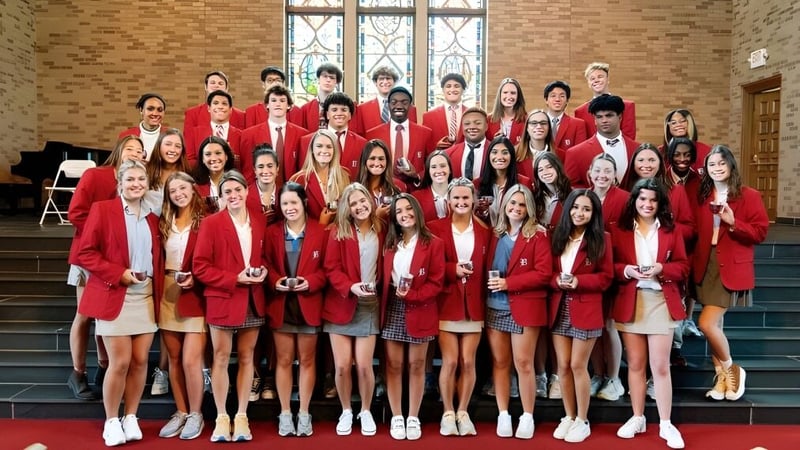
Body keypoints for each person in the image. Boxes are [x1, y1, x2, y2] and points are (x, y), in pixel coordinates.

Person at [77, 160, 163, 447]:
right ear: (120, 182)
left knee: (140, 362)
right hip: (115, 293)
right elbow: (86, 254)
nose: (136, 183)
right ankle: (111, 420)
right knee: (120, 362)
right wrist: (119, 274)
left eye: (141, 179)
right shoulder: (103, 210)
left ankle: (131, 417)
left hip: (146, 296)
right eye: (130, 179)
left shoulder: (152, 217)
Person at [611, 178, 689, 450]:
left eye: (653, 200)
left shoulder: (671, 229)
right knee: (634, 365)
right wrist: (627, 271)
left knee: (660, 366)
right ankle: (637, 417)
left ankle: (666, 423)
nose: (647, 204)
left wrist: (661, 268)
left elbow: (682, 267)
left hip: (659, 300)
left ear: (660, 203)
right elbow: (611, 266)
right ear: (634, 200)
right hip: (630, 300)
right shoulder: (619, 230)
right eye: (642, 199)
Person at [66, 135, 145, 402]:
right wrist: (104, 232)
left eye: (140, 151)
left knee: (108, 317)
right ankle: (77, 373)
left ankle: (103, 367)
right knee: (85, 314)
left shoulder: (137, 183)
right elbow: (75, 213)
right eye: (130, 149)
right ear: (120, 150)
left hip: (118, 261)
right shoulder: (95, 176)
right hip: (89, 256)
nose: (135, 153)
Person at [193, 170, 268, 442]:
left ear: (247, 192)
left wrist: (264, 273)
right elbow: (200, 266)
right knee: (221, 358)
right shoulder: (212, 223)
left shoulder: (259, 222)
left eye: (238, 190)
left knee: (248, 358)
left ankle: (242, 416)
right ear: (221, 196)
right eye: (228, 192)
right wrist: (233, 278)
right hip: (224, 297)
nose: (234, 195)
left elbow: (265, 258)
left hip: (252, 299)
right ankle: (222, 417)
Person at [693, 145, 768, 402]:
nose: (716, 168)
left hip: (731, 264)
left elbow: (760, 233)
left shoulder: (749, 195)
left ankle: (732, 369)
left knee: (706, 323)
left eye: (721, 163)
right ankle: (723, 381)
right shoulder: (702, 194)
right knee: (716, 326)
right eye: (712, 164)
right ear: (706, 169)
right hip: (705, 263)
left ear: (731, 165)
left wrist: (734, 223)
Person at [485, 184, 552, 439]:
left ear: (529, 209)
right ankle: (503, 414)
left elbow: (544, 273)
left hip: (524, 306)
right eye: (512, 203)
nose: (516, 208)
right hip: (495, 306)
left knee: (523, 362)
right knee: (500, 362)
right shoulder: (494, 234)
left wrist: (509, 283)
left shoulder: (538, 235)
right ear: (504, 206)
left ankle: (527, 415)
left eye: (521, 204)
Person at [264, 182, 329, 437]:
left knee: (307, 360)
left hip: (309, 302)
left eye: (293, 202)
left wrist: (311, 282)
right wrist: (274, 279)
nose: (289, 208)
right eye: (284, 204)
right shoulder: (272, 232)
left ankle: (303, 412)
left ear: (303, 202)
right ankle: (284, 413)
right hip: (281, 303)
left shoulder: (321, 231)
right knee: (283, 360)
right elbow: (264, 262)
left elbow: (328, 268)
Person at [427, 178, 491, 436]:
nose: (462, 203)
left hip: (474, 304)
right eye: (457, 199)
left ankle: (463, 412)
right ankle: (447, 412)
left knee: (468, 360)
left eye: (466, 198)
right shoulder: (435, 228)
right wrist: (451, 269)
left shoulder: (485, 231)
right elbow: (429, 266)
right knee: (450, 361)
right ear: (448, 201)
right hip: (446, 302)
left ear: (473, 201)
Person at [549, 189, 613, 443]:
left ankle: (582, 419)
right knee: (562, 366)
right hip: (559, 306)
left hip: (586, 308)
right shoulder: (558, 236)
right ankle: (569, 415)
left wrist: (579, 281)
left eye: (586, 209)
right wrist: (557, 281)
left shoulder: (602, 239)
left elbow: (606, 278)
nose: (580, 213)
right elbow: (548, 273)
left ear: (594, 213)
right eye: (576, 208)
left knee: (578, 365)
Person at [381, 193, 445, 441]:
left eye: (408, 209)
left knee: (417, 366)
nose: (404, 214)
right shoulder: (389, 243)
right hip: (393, 308)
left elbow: (437, 282)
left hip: (421, 307)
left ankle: (413, 416)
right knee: (394, 366)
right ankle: (397, 415)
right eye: (398, 211)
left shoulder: (434, 243)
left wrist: (414, 294)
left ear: (417, 211)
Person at [323, 182, 384, 437]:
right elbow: (330, 268)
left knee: (363, 365)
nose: (360, 206)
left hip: (369, 304)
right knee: (342, 366)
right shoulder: (338, 231)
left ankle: (366, 410)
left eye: (363, 201)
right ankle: (347, 410)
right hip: (341, 303)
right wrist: (350, 287)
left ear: (370, 201)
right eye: (354, 204)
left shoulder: (383, 229)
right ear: (347, 209)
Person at [156, 172, 207, 440]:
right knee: (174, 359)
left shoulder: (205, 222)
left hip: (195, 292)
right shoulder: (164, 222)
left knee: (190, 360)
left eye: (182, 188)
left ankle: (196, 414)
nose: (178, 193)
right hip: (167, 291)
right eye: (173, 190)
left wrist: (196, 279)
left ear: (193, 189)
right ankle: (181, 411)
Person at [586, 153, 628, 402]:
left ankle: (613, 377)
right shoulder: (583, 196)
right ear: (590, 173)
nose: (602, 175)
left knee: (609, 326)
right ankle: (598, 374)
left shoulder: (624, 199)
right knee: (593, 326)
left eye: (607, 171)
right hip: (588, 272)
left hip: (614, 270)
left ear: (615, 175)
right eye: (597, 170)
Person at [564, 94, 640, 189]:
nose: (604, 120)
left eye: (609, 116)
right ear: (595, 120)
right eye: (599, 117)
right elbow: (570, 189)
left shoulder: (637, 149)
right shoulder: (575, 153)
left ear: (620, 117)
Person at [365, 86, 435, 185]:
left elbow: (432, 164)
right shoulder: (373, 134)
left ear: (410, 105)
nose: (399, 106)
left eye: (404, 102)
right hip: (383, 188)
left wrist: (417, 176)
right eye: (394, 102)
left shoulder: (425, 133)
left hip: (414, 191)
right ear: (388, 105)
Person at [241, 84, 309, 184]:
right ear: (267, 105)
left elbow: (303, 169)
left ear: (289, 105)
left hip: (292, 191)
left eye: (282, 101)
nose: (278, 104)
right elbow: (248, 170)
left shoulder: (302, 135)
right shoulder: (250, 134)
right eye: (273, 100)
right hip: (261, 190)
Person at [289, 129, 351, 225]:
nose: (324, 151)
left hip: (337, 236)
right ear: (312, 150)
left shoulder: (344, 175)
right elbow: (293, 218)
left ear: (334, 150)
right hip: (311, 236)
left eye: (329, 147)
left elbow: (348, 211)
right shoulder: (299, 180)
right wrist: (321, 225)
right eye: (319, 146)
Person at [299, 92, 367, 174]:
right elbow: (304, 173)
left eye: (344, 110)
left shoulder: (362, 143)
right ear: (327, 114)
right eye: (334, 110)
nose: (339, 113)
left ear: (350, 115)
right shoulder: (307, 141)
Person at [475, 136, 530, 226]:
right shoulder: (477, 184)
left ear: (511, 156)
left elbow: (528, 215)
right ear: (488, 155)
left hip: (512, 234)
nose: (499, 157)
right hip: (485, 234)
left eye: (505, 153)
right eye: (494, 152)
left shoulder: (524, 182)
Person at [573, 62, 637, 139]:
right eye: (592, 78)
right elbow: (582, 140)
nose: (596, 80)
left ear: (608, 79)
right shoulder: (580, 111)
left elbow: (629, 137)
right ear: (589, 83)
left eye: (600, 77)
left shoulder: (627, 106)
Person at [184, 90, 243, 170]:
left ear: (230, 109)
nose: (220, 106)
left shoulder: (241, 135)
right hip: (203, 179)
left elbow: (244, 163)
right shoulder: (195, 133)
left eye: (224, 104)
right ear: (209, 108)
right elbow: (189, 160)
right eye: (215, 103)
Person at [353, 65, 418, 135]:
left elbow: (412, 133)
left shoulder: (409, 108)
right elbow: (360, 135)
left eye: (388, 78)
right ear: (375, 83)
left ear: (395, 82)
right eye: (381, 79)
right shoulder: (362, 109)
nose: (385, 82)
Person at [357, 139, 406, 220]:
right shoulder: (355, 191)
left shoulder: (399, 186)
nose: (377, 163)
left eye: (381, 159)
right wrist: (376, 217)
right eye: (372, 158)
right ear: (364, 161)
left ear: (387, 162)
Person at [146, 128, 191, 214]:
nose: (173, 150)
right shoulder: (146, 171)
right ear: (159, 146)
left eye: (177, 146)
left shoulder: (188, 174)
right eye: (168, 144)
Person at [543, 81, 587, 159]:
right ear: (546, 100)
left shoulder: (578, 124)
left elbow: (579, 155)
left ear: (567, 101)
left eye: (562, 96)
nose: (557, 99)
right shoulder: (537, 123)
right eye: (553, 96)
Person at [423, 73, 468, 149]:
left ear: (463, 89)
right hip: (439, 158)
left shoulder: (471, 114)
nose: (452, 89)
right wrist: (436, 148)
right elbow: (424, 144)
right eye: (448, 86)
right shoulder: (429, 116)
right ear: (443, 90)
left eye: (457, 86)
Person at [118, 93, 167, 161]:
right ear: (141, 110)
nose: (155, 113)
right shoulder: (126, 135)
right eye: (150, 109)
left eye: (160, 110)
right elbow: (119, 162)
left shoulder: (171, 135)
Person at [193, 136, 235, 213]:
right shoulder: (195, 189)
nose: (213, 158)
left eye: (218, 153)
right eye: (208, 154)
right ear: (202, 159)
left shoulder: (238, 183)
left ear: (226, 156)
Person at [446, 106, 490, 180]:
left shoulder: (495, 151)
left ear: (486, 126)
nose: (472, 127)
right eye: (467, 123)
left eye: (478, 123)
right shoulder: (448, 153)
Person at [531, 152, 572, 231]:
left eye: (549, 167)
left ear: (558, 167)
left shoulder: (572, 195)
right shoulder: (534, 195)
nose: (545, 172)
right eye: (540, 170)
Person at [412, 150, 453, 223]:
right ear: (428, 171)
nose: (439, 170)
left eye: (443, 166)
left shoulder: (460, 195)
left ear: (450, 170)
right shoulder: (416, 198)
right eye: (434, 167)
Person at [300, 62, 343, 131]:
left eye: (332, 78)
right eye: (325, 76)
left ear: (336, 82)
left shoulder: (344, 107)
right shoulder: (305, 109)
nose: (328, 80)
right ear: (318, 79)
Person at [516, 109, 557, 181]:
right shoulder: (514, 153)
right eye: (534, 123)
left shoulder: (561, 154)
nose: (539, 126)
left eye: (543, 123)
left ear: (549, 128)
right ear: (527, 128)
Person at [245, 144, 282, 224]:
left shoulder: (285, 194)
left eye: (270, 166)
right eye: (261, 167)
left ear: (277, 168)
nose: (265, 171)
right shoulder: (244, 196)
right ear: (255, 170)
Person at [486, 78, 527, 145]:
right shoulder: (488, 119)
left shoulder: (527, 119)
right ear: (500, 95)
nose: (509, 96)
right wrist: (495, 142)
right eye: (505, 92)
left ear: (518, 96)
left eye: (513, 93)